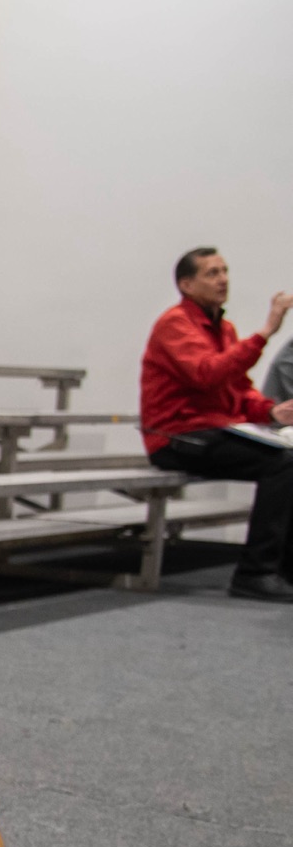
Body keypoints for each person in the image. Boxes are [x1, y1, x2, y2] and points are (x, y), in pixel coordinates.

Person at [139, 246, 293, 602]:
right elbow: (206, 375)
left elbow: (238, 391)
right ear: (187, 284)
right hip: (177, 437)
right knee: (284, 464)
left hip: (216, 431)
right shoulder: (174, 324)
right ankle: (255, 573)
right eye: (212, 273)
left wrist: (271, 413)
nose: (223, 279)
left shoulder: (224, 329)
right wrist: (266, 332)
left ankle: (284, 570)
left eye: (224, 270)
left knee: (288, 457)